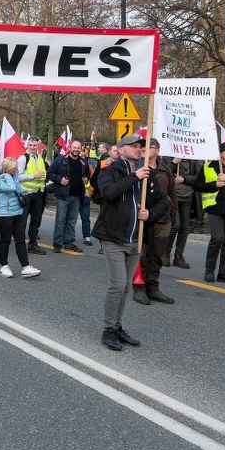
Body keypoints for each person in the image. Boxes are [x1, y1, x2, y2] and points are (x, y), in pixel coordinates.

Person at [92, 134, 168, 351]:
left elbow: (164, 201)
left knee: (125, 287)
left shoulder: (147, 175)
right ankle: (108, 329)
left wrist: (150, 214)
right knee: (117, 285)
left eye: (140, 146)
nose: (138, 149)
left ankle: (117, 326)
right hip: (114, 238)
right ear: (121, 149)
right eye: (133, 146)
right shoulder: (109, 171)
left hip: (136, 239)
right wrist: (134, 177)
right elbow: (108, 193)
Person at [133, 138, 177, 305]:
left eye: (149, 146)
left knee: (157, 255)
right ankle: (139, 288)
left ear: (157, 151)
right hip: (141, 220)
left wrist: (172, 217)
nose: (143, 149)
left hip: (162, 221)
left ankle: (153, 287)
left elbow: (172, 195)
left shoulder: (165, 171)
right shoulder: (136, 169)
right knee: (141, 255)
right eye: (142, 146)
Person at [194, 142, 225, 285]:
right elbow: (197, 185)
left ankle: (224, 273)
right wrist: (214, 185)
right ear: (221, 153)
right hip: (215, 209)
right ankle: (209, 270)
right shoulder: (208, 166)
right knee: (217, 239)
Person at [0, 157, 41, 278]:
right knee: (5, 240)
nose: (16, 170)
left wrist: (24, 192)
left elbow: (17, 188)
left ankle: (26, 267)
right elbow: (11, 188)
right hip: (4, 214)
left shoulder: (13, 176)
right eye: (14, 168)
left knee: (20, 240)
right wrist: (7, 176)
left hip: (17, 212)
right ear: (8, 168)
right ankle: (4, 266)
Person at [47, 140, 89, 253]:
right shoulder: (60, 160)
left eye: (78, 148)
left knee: (72, 221)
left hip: (77, 196)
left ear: (81, 149)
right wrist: (59, 179)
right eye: (74, 147)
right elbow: (50, 173)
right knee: (60, 220)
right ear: (70, 147)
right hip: (63, 195)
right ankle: (57, 243)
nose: (76, 150)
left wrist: (86, 178)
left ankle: (69, 243)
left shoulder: (83, 162)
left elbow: (87, 174)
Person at [163, 156, 199, 269]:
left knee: (184, 228)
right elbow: (163, 175)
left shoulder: (193, 158)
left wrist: (184, 179)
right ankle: (166, 253)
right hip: (173, 198)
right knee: (175, 225)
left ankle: (179, 256)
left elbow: (199, 177)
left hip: (188, 197)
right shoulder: (167, 157)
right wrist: (174, 162)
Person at [17, 138, 48, 254]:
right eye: (30, 145)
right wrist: (33, 176)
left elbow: (43, 174)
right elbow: (18, 176)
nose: (32, 147)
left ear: (38, 146)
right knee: (22, 221)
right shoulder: (23, 158)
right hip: (26, 194)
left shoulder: (40, 158)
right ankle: (20, 246)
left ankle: (32, 244)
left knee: (36, 220)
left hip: (38, 193)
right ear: (27, 145)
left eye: (34, 145)